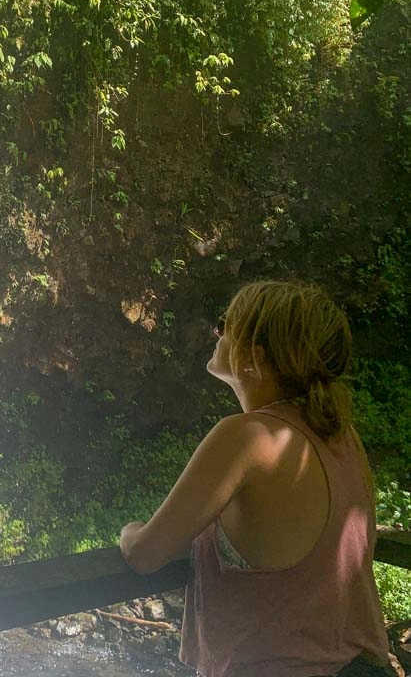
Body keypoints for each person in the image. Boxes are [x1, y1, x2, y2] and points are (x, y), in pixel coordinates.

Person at [118, 280, 393, 677]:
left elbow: (144, 554)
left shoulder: (246, 438)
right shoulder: (340, 436)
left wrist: (130, 530)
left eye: (226, 324)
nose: (217, 332)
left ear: (255, 356)